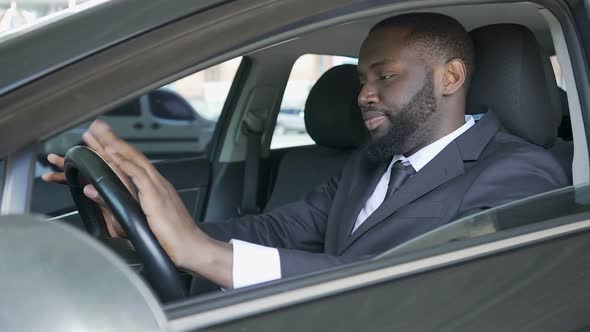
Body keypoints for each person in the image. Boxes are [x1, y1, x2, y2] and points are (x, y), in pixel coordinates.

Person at [43, 13, 568, 289]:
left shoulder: (521, 174)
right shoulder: (368, 164)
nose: (363, 93)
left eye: (384, 76)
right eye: (362, 79)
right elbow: (275, 231)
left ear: (451, 76)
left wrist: (204, 255)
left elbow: (438, 289)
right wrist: (152, 224)